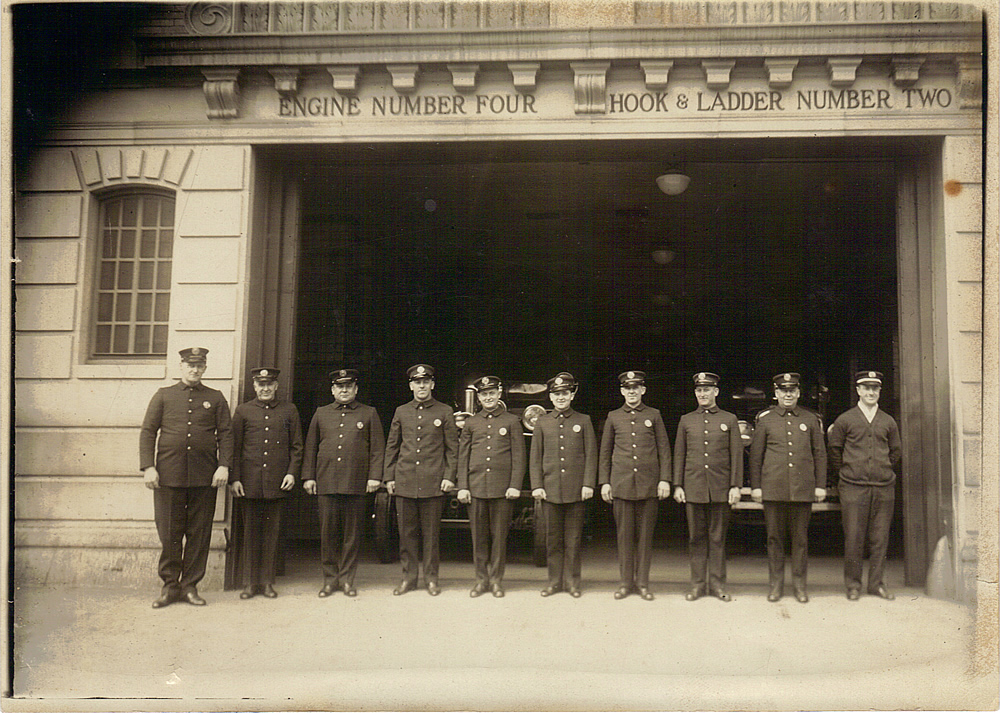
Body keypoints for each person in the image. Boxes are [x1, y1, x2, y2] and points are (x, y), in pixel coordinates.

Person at [140, 347, 233, 608]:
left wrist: (224, 466)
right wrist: (148, 466)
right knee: (169, 532)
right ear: (180, 366)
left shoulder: (215, 398)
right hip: (168, 476)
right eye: (190, 365)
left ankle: (190, 585)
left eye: (199, 366)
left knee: (199, 533)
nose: (194, 370)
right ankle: (170, 587)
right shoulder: (164, 396)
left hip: (205, 477)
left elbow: (226, 434)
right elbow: (148, 431)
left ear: (205, 368)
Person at [302, 369, 384, 597]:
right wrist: (308, 476)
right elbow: (310, 447)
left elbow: (378, 449)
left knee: (352, 534)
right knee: (328, 534)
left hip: (356, 482)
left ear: (356, 389)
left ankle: (347, 579)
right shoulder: (321, 413)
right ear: (332, 390)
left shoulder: (368, 413)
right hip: (326, 481)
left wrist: (375, 476)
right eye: (340, 387)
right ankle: (330, 580)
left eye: (349, 386)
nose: (344, 390)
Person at [749, 372, 827, 603]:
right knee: (774, 538)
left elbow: (819, 454)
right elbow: (755, 457)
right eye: (783, 391)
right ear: (776, 393)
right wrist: (756, 487)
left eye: (792, 391)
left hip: (802, 489)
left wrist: (820, 486)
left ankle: (800, 586)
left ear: (798, 393)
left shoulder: (811, 419)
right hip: (773, 489)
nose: (788, 395)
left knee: (801, 539)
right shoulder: (766, 420)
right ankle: (776, 585)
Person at [384, 364, 459, 596]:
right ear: (411, 386)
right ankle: (408, 578)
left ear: (432, 385)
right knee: (406, 535)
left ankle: (431, 579)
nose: (422, 386)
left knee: (431, 536)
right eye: (417, 382)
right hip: (405, 480)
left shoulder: (444, 411)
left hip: (433, 483)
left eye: (426, 382)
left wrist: (449, 477)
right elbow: (392, 446)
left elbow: (452, 449)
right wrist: (388, 477)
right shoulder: (401, 411)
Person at [828, 370, 902, 601]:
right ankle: (853, 585)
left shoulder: (888, 421)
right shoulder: (846, 419)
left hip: (882, 487)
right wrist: (848, 473)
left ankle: (877, 584)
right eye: (866, 388)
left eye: (875, 388)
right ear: (858, 390)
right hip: (853, 487)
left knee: (880, 538)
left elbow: (896, 451)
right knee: (854, 537)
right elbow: (834, 450)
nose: (871, 392)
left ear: (879, 391)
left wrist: (882, 470)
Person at [229, 367, 303, 599]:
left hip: (277, 483)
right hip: (249, 483)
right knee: (250, 534)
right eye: (261, 384)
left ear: (276, 386)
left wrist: (291, 473)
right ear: (254, 386)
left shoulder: (289, 410)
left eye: (269, 384)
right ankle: (250, 583)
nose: (265, 388)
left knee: (272, 535)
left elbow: (297, 447)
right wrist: (235, 479)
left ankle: (268, 582)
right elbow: (234, 447)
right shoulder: (243, 412)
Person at [598, 370, 671, 601]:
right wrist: (605, 482)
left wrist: (664, 480)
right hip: (621, 485)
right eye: (627, 389)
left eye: (635, 388)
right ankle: (625, 583)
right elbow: (605, 453)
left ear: (643, 390)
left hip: (649, 486)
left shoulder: (654, 415)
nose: (631, 392)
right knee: (624, 537)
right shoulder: (613, 417)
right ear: (622, 391)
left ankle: (642, 584)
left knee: (645, 537)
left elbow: (664, 450)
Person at [672, 372, 743, 602]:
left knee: (717, 538)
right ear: (695, 393)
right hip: (693, 488)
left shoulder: (729, 419)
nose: (703, 394)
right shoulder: (686, 420)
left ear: (716, 392)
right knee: (696, 538)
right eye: (699, 390)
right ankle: (697, 585)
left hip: (720, 488)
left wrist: (735, 485)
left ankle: (718, 584)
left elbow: (736, 456)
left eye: (707, 390)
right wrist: (678, 485)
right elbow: (679, 455)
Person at [456, 376, 526, 598]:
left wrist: (515, 485)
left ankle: (496, 580)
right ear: (478, 398)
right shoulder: (471, 423)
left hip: (502, 489)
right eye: (484, 394)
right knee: (478, 537)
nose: (488, 397)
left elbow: (519, 457)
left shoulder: (511, 421)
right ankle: (480, 580)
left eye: (492, 393)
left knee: (499, 537)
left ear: (499, 394)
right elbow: (463, 457)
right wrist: (463, 487)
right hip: (476, 489)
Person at [530, 372, 597, 598]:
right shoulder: (542, 422)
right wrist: (537, 485)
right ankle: (554, 582)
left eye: (565, 393)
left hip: (576, 490)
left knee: (574, 539)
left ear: (572, 395)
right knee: (553, 539)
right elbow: (535, 458)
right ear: (550, 397)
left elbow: (591, 456)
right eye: (556, 394)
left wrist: (588, 484)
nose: (561, 397)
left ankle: (573, 582)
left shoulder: (583, 420)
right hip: (549, 490)